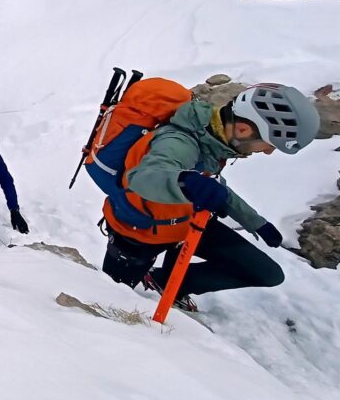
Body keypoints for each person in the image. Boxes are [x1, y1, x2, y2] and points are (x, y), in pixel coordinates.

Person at [102, 83, 320, 310]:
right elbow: (144, 178)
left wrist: (256, 223)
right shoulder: (178, 142)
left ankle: (166, 282)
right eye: (269, 144)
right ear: (244, 130)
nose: (268, 151)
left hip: (188, 223)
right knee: (112, 301)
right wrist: (185, 182)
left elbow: (213, 185)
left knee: (268, 274)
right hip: (140, 233)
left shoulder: (213, 137)